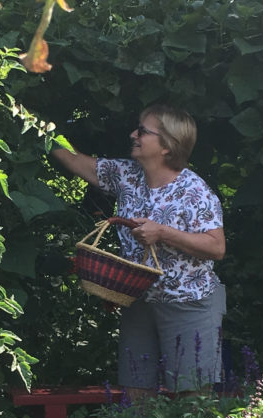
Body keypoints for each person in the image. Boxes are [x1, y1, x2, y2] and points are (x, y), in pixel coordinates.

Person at [50, 105, 226, 401]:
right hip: (138, 298)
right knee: (135, 395)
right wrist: (37, 129)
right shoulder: (127, 175)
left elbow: (216, 247)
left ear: (167, 146)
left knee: (192, 398)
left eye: (143, 131)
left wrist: (163, 233)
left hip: (187, 303)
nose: (133, 134)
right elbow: (77, 162)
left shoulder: (194, 191)